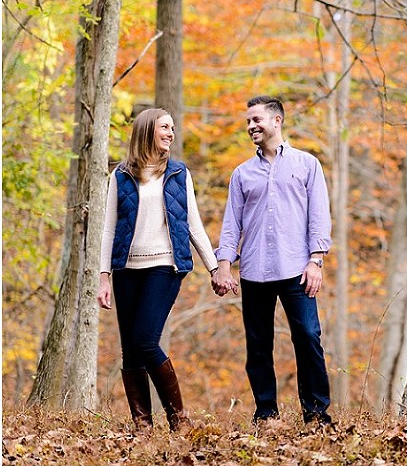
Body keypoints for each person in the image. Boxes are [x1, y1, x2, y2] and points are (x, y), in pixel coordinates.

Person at [212, 95, 333, 426]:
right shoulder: (241, 174)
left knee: (308, 337)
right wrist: (224, 264)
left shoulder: (307, 165)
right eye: (248, 121)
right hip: (254, 270)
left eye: (256, 120)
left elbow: (319, 216)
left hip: (297, 269)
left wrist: (316, 260)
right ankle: (266, 413)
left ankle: (317, 413)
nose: (251, 126)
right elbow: (231, 223)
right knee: (258, 345)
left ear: (276, 121)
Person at [97, 108, 219, 433]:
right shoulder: (120, 176)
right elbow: (108, 229)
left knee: (146, 340)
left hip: (165, 265)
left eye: (173, 128)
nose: (171, 133)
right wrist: (103, 276)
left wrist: (215, 267)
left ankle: (179, 420)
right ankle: (142, 426)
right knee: (130, 349)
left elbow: (194, 225)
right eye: (165, 127)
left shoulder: (178, 174)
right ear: (148, 129)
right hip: (126, 269)